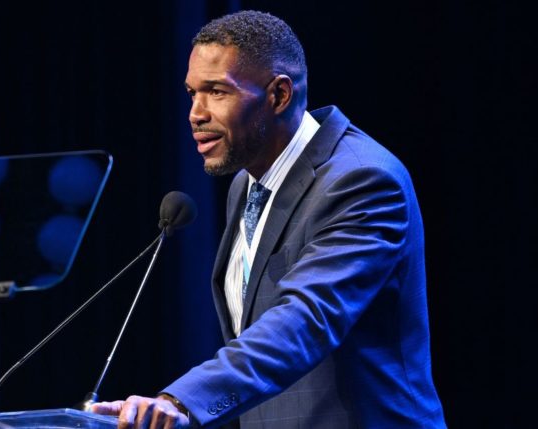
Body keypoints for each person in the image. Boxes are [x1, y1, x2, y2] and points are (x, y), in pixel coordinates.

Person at [91, 10, 446, 429]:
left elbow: (305, 318)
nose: (195, 113)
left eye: (217, 92)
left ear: (278, 95)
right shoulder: (247, 184)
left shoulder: (362, 180)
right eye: (191, 93)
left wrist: (182, 400)